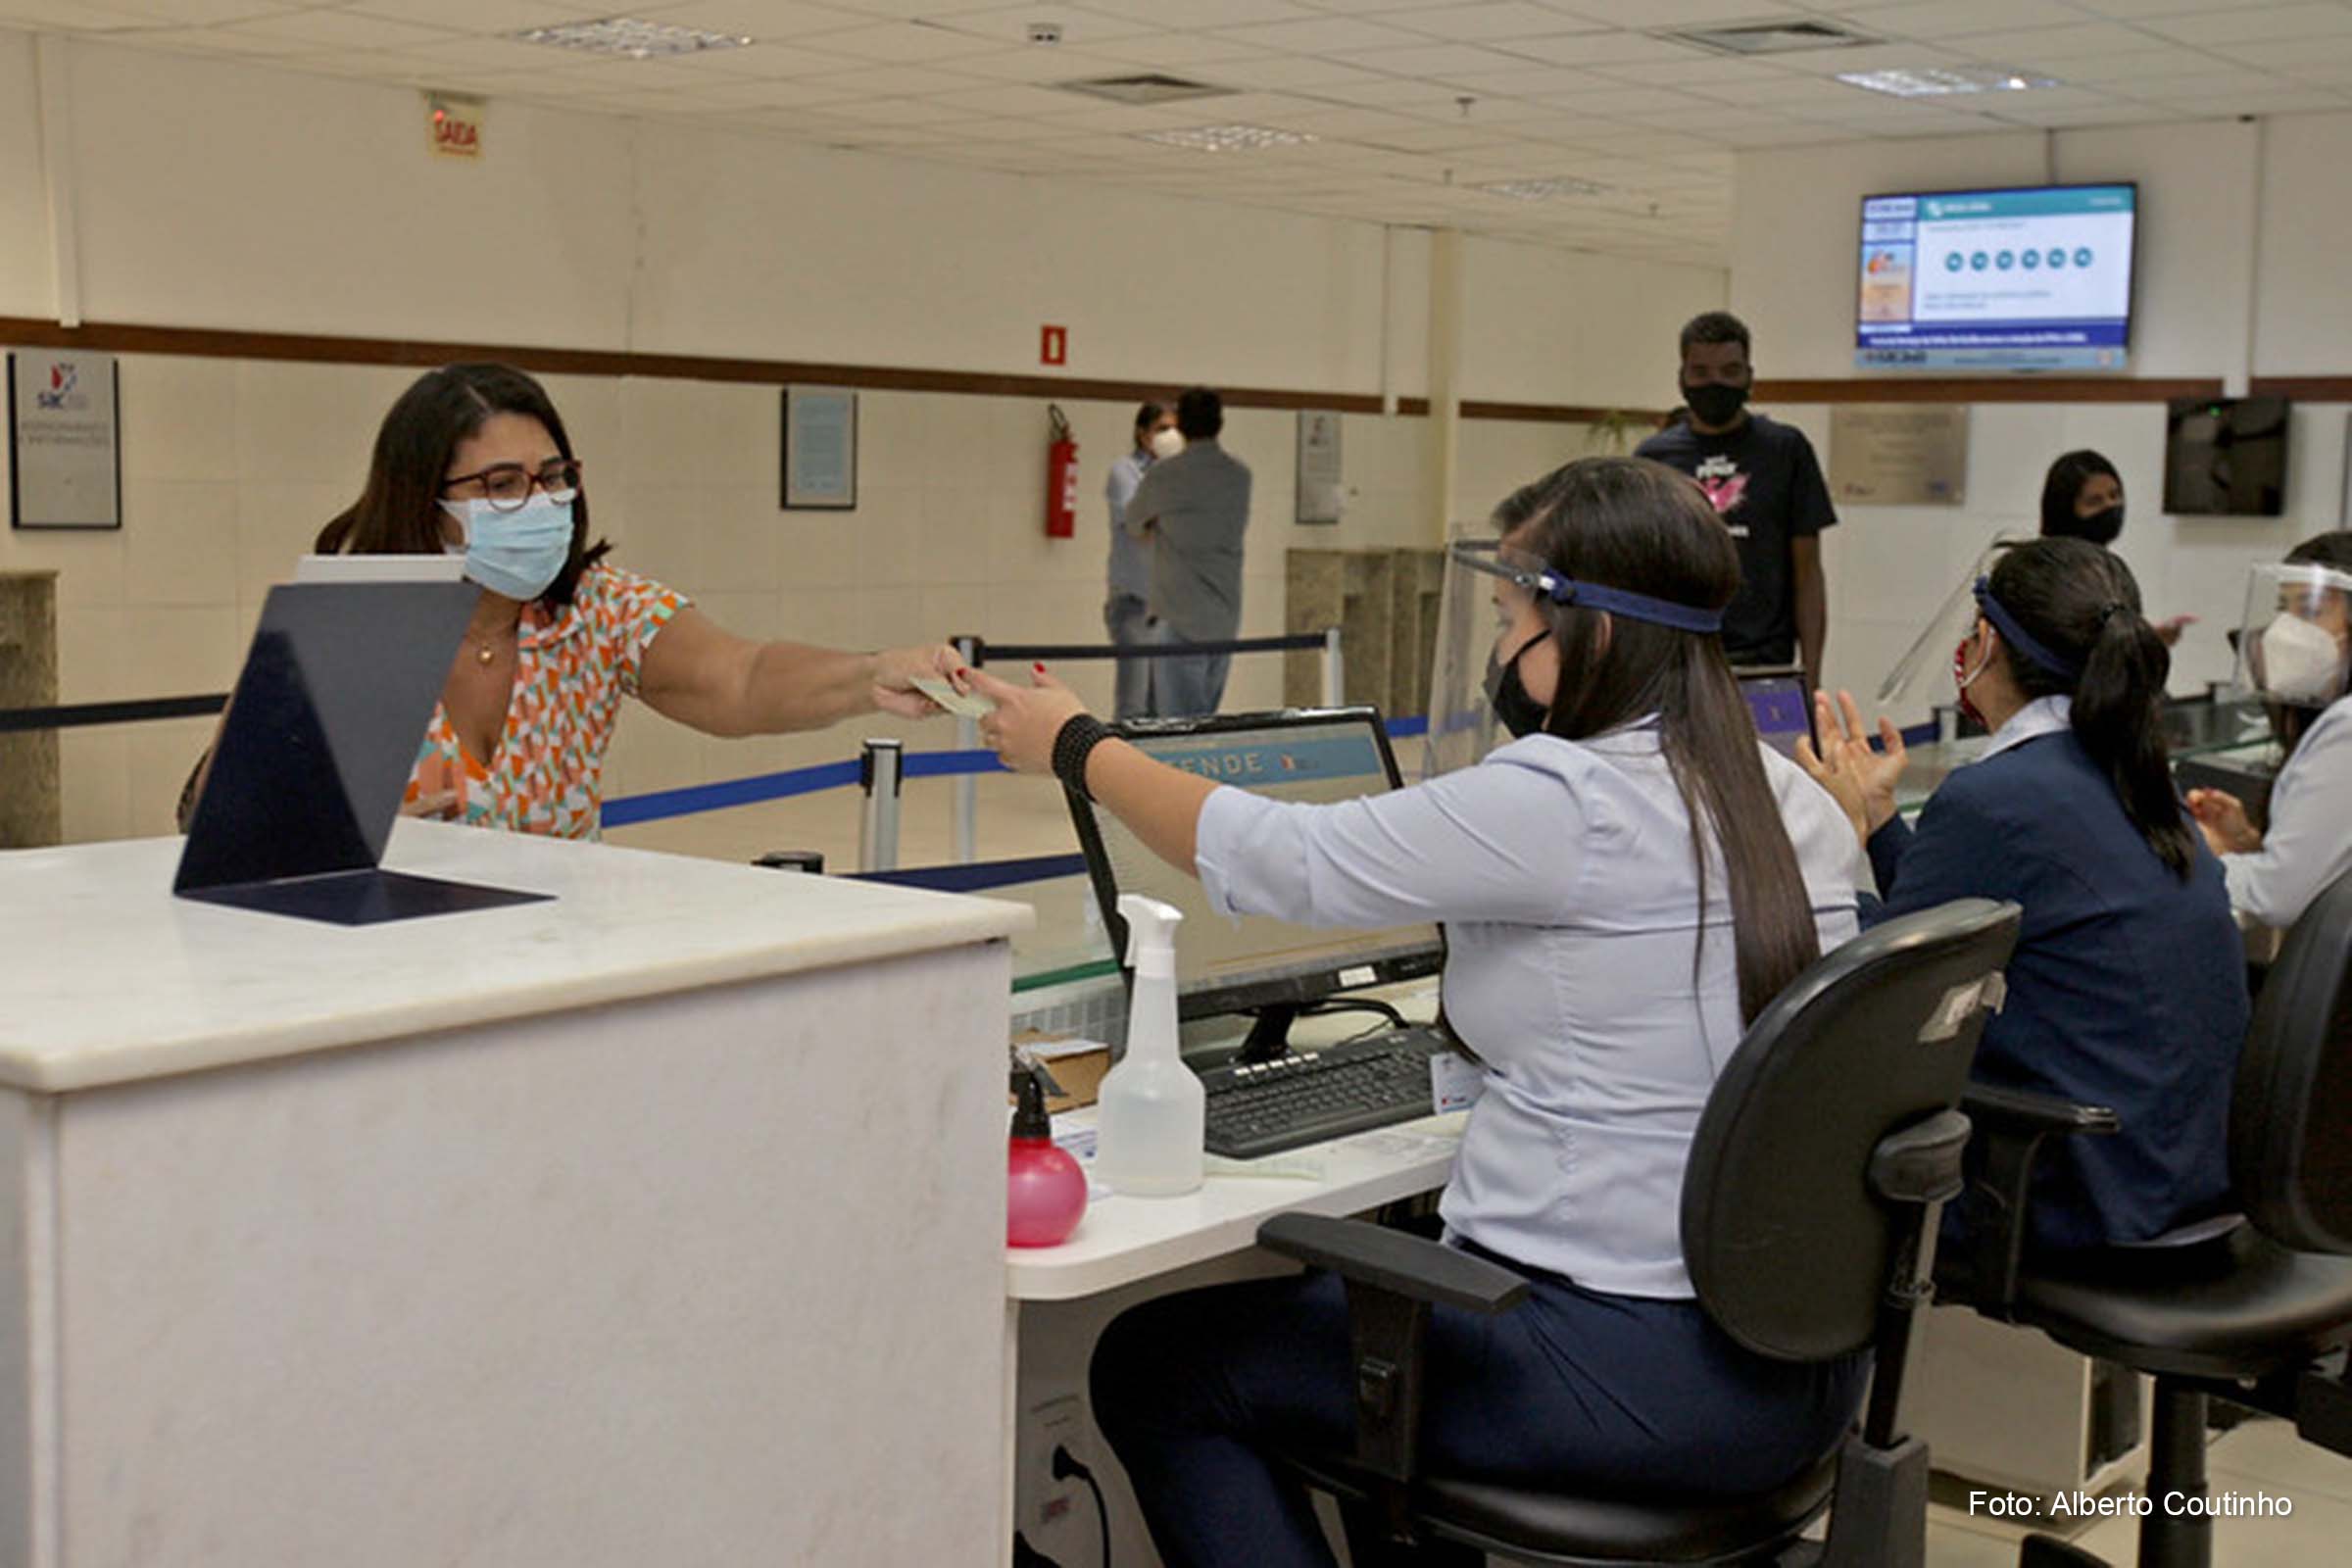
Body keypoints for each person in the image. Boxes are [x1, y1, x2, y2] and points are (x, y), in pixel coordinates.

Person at [972, 458, 1868, 1568]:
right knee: (1367, 1295)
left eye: (1510, 618)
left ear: (1582, 628)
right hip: (1792, 1368)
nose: (1502, 650)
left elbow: (1284, 859)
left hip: (1621, 1368)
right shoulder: (1793, 801)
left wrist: (1077, 745)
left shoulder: (1566, 797)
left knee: (1163, 1367)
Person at [179, 363, 966, 839]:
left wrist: (871, 676)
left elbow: (742, 677)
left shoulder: (594, 614)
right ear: (425, 499)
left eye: (553, 476)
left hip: (558, 967)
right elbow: (227, 823)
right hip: (390, 975)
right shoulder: (353, 628)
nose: (541, 501)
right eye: (501, 485)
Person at [1799, 538, 2249, 1256]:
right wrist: (1879, 820)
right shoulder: (2131, 771)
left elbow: (1878, 988)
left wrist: (1812, 857)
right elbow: (1954, 922)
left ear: (1986, 643)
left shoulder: (2000, 796)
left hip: (2070, 1193)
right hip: (2173, 1176)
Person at [1636, 311, 1834, 692]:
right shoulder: (1653, 458)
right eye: (1702, 372)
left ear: (1749, 376)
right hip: (1678, 662)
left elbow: (1808, 571)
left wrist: (1811, 675)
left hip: (1765, 665)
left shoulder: (1785, 448)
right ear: (1682, 377)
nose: (1716, 383)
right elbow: (1640, 571)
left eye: (1730, 371)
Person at [2187, 531, 2352, 928]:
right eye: (2283, 608)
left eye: (2310, 610)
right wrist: (2251, 844)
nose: (2285, 630)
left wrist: (2202, 858)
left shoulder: (2347, 727)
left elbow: (2277, 898)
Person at [1121, 386, 1250, 717]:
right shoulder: (1239, 477)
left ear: (1180, 424)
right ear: (1219, 423)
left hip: (1179, 617)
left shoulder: (1165, 475)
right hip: (1225, 617)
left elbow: (1134, 524)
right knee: (1207, 713)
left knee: (1179, 725)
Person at [2039, 449, 2190, 644]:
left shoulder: (2109, 567)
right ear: (2064, 508)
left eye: (2115, 495)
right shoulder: (2047, 571)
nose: (2110, 506)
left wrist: (2146, 640)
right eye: (2094, 501)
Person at [1104, 401, 1179, 720]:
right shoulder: (1124, 472)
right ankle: (1121, 768)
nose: (1170, 436)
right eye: (1162, 429)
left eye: (1175, 429)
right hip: (1133, 604)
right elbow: (1141, 525)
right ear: (1143, 433)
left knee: (1164, 706)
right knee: (1134, 706)